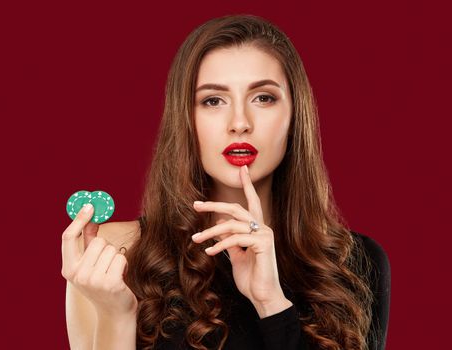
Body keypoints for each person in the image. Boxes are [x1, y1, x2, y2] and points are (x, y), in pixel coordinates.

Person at [61, 14, 391, 350]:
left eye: (263, 98)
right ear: (186, 119)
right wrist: (116, 316)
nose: (239, 123)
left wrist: (271, 303)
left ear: (295, 116)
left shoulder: (353, 263)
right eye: (212, 101)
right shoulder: (115, 253)